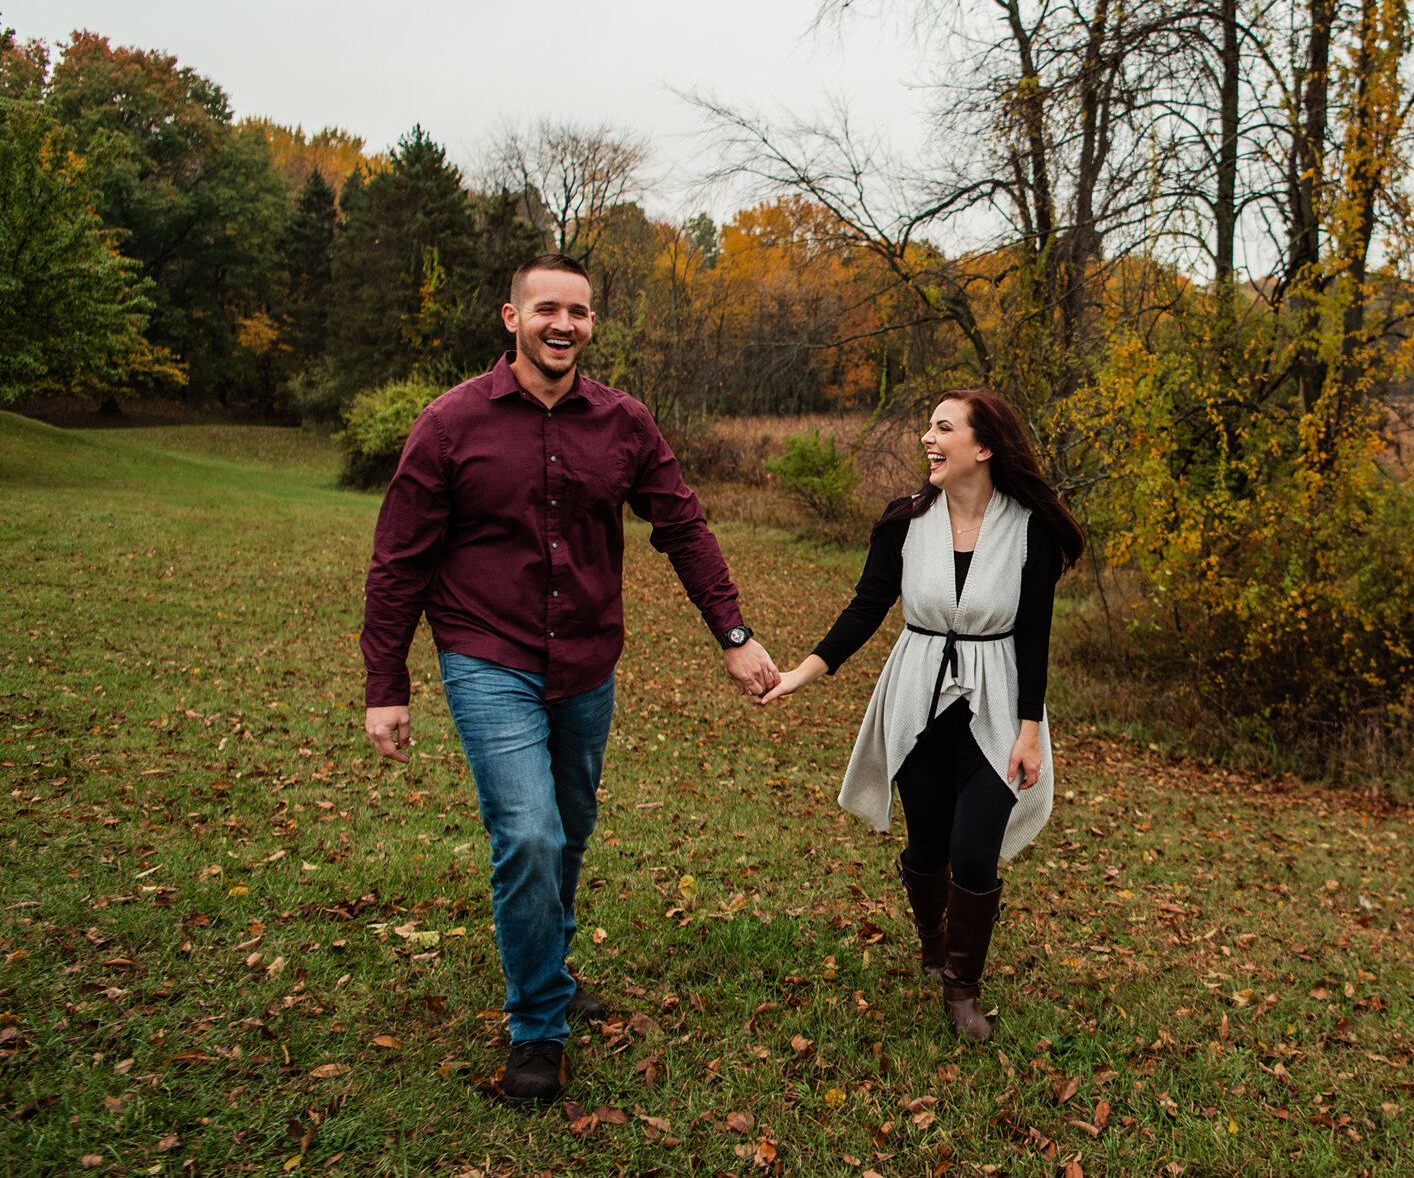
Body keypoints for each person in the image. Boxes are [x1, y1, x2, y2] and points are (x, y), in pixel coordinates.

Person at [359, 252, 780, 1105]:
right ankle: (537, 1030)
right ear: (510, 318)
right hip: (488, 653)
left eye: (579, 312)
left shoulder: (624, 423)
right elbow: (398, 560)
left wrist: (732, 632)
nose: (564, 324)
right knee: (530, 834)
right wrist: (385, 682)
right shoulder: (450, 424)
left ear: (591, 323)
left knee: (570, 829)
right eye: (546, 308)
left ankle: (547, 961)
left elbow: (683, 524)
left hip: (587, 659)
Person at [760, 388, 1084, 1041]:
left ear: (984, 446)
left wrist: (1028, 731)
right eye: (926, 428)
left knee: (974, 846)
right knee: (927, 843)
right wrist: (802, 671)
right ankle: (934, 940)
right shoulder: (904, 521)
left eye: (943, 428)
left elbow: (1035, 636)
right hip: (918, 699)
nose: (927, 440)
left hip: (995, 702)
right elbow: (866, 606)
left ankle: (962, 986)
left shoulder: (1031, 530)